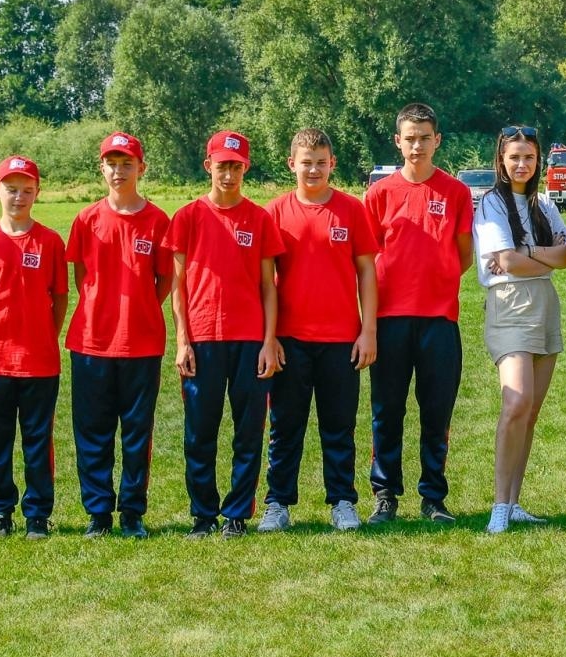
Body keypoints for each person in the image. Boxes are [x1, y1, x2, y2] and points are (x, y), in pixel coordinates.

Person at [165, 130, 284, 538]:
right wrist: (182, 341)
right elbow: (177, 287)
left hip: (250, 339)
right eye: (222, 166)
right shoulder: (187, 217)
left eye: (236, 166)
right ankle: (203, 513)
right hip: (201, 339)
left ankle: (236, 512)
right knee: (200, 431)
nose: (229, 174)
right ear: (208, 166)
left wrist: (270, 340)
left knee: (248, 430)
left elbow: (270, 286)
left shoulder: (259, 218)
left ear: (245, 167)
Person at [262, 128, 378, 533]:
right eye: (305, 162)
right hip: (290, 340)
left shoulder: (352, 210)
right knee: (285, 427)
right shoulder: (274, 212)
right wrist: (270, 336)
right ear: (291, 164)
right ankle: (277, 503)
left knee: (339, 426)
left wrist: (368, 331)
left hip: (341, 339)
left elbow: (367, 270)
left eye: (321, 162)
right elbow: (266, 282)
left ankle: (343, 501)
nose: (313, 169)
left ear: (333, 164)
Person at [364, 103, 474, 524]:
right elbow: (367, 258)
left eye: (425, 137)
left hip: (439, 319)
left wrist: (436, 278)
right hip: (389, 319)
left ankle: (433, 497)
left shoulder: (456, 193)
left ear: (437, 140)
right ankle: (385, 495)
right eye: (409, 138)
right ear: (398, 141)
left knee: (436, 412)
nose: (417, 145)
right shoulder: (379, 194)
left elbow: (463, 255)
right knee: (386, 411)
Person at [65, 132, 172, 539]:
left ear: (141, 168)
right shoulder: (86, 219)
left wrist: (139, 307)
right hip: (91, 342)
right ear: (101, 168)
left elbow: (163, 281)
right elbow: (82, 278)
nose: (118, 170)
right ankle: (98, 514)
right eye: (111, 163)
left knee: (136, 433)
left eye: (127, 163)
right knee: (93, 431)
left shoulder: (158, 220)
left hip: (141, 342)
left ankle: (131, 512)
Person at [472, 125, 566, 533]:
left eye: (529, 157)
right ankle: (499, 505)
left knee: (530, 412)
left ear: (538, 161)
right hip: (510, 305)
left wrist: (529, 252)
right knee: (516, 404)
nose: (521, 164)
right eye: (514, 157)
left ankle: (514, 503)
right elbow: (505, 263)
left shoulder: (544, 204)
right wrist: (541, 258)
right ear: (501, 160)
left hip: (544, 304)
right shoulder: (490, 203)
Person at [0, 156, 69, 539]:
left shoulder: (50, 241)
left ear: (37, 193)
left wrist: (42, 335)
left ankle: (38, 514)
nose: (18, 197)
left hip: (39, 362)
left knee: (38, 441)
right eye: (11, 190)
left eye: (27, 190)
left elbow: (59, 298)